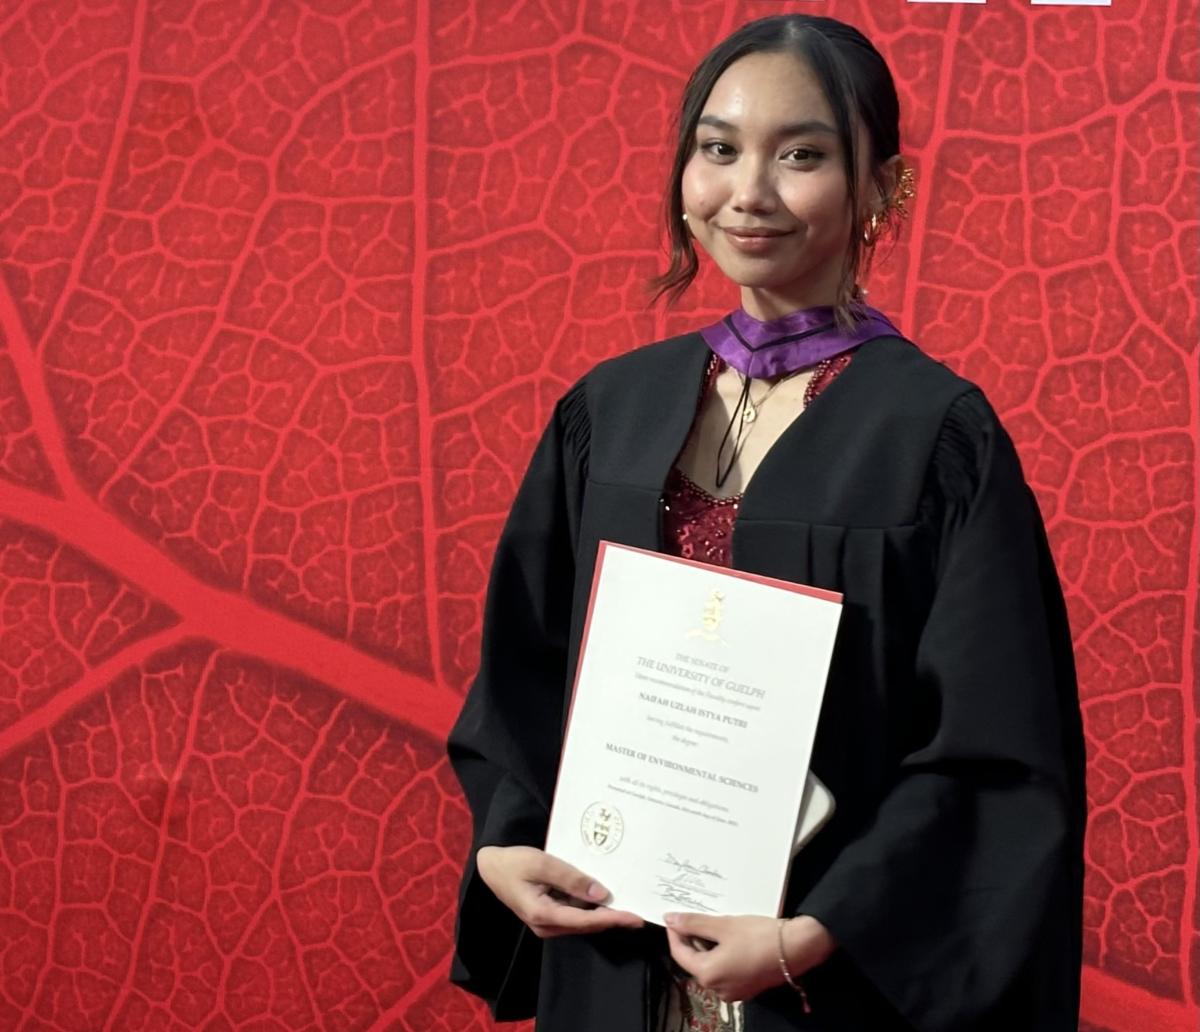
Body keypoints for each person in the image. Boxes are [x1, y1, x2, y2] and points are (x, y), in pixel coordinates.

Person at [447, 14, 1086, 1032]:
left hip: (825, 989)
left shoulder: (932, 438)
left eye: (802, 154)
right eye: (718, 148)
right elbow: (522, 671)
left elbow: (992, 749)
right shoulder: (608, 413)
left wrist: (819, 928)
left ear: (884, 186)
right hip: (614, 962)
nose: (749, 192)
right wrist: (506, 841)